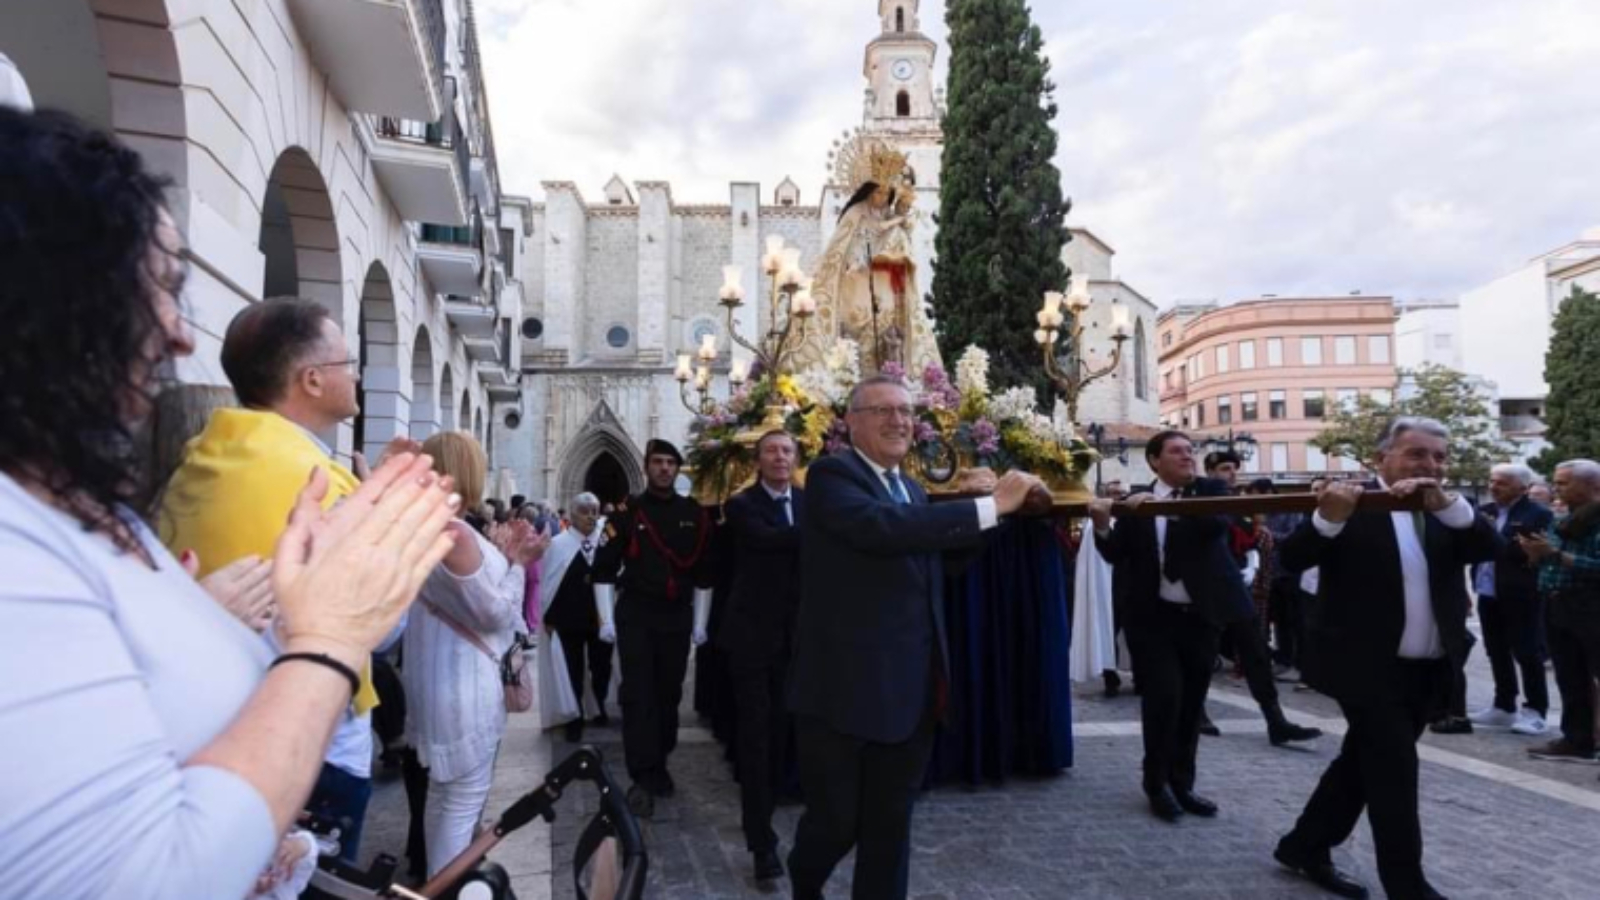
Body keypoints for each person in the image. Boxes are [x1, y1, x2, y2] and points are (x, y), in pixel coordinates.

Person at [0, 106, 459, 899]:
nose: (181, 336)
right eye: (161, 290)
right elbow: (148, 879)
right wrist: (327, 640)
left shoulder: (71, 496)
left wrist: (233, 617)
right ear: (50, 302)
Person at [159, 295, 413, 862]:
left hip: (215, 733)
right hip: (310, 746)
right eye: (349, 363)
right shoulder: (320, 486)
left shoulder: (198, 460)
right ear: (314, 380)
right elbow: (384, 630)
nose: (360, 374)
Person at [787, 375, 1044, 900]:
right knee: (836, 825)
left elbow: (934, 566)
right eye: (882, 410)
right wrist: (992, 505)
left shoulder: (911, 488)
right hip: (840, 693)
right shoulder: (832, 476)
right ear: (851, 422)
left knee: (889, 831)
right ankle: (805, 883)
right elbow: (883, 529)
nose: (898, 421)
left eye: (905, 411)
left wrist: (984, 520)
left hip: (910, 692)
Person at [1273, 417, 1499, 900]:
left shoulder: (1445, 509)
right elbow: (1291, 559)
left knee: (1362, 763)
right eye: (1418, 454)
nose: (1432, 465)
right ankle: (1407, 885)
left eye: (1440, 456)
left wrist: (1452, 508)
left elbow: (1492, 547)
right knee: (1394, 773)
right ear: (1381, 459)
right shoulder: (1351, 504)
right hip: (1365, 669)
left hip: (1430, 667)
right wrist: (1328, 518)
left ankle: (1303, 845)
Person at [1088, 432, 1257, 824]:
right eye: (1177, 451)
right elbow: (1116, 554)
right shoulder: (1135, 501)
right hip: (1152, 620)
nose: (1188, 457)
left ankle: (1183, 782)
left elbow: (1213, 526)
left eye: (1190, 451)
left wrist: (1158, 508)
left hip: (1200, 617)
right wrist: (1102, 526)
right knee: (1164, 698)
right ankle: (1156, 783)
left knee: (1192, 703)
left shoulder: (1211, 490)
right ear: (1153, 461)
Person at [402, 432, 544, 877]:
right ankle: (445, 886)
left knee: (445, 801)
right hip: (463, 685)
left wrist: (502, 556)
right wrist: (517, 563)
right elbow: (493, 612)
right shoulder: (455, 532)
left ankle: (440, 882)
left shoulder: (424, 524)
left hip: (436, 676)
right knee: (461, 803)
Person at [591, 439, 716, 818]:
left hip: (676, 617)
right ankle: (642, 774)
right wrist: (606, 620)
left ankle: (660, 760)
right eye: (657, 462)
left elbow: (704, 575)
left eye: (670, 463)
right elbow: (603, 568)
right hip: (637, 616)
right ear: (646, 468)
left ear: (678, 469)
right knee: (637, 695)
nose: (664, 468)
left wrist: (700, 624)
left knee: (668, 693)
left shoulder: (693, 514)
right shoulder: (627, 513)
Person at [720, 431, 806, 883]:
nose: (779, 457)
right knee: (756, 743)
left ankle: (773, 812)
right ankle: (762, 845)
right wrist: (825, 529)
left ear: (796, 458)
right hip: (753, 641)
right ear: (757, 459)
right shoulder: (742, 505)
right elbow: (770, 541)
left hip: (800, 644)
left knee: (786, 739)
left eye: (787, 450)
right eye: (771, 450)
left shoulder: (809, 502)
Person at [1201, 453, 1321, 747]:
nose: (1231, 474)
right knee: (1203, 654)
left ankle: (1275, 720)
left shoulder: (1238, 503)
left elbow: (1248, 539)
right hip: (1205, 586)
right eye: (1224, 469)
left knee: (1256, 653)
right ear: (1209, 471)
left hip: (1235, 583)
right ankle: (1197, 711)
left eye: (1234, 469)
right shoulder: (1201, 498)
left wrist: (1256, 535)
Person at [1518, 459, 1600, 764]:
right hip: (1557, 603)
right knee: (1570, 676)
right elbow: (1551, 557)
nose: (1556, 488)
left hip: (1590, 605)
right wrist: (1535, 555)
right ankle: (1578, 741)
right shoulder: (1564, 517)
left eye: (1564, 482)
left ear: (1592, 485)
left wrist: (1555, 555)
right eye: (1556, 482)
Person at [1465, 463, 1554, 736]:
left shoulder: (1537, 513)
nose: (1494, 486)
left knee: (1527, 653)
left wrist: (1495, 541)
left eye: (1502, 482)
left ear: (1521, 487)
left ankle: (1535, 710)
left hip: (1522, 594)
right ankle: (1504, 705)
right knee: (1495, 651)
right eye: (1492, 481)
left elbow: (1529, 552)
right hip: (1489, 592)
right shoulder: (1487, 512)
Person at [539, 492, 614, 741]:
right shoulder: (558, 544)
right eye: (585, 511)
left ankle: (601, 705)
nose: (591, 517)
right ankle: (575, 716)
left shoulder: (606, 543)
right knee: (572, 669)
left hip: (600, 619)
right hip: (568, 619)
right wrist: (549, 618)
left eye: (595, 511)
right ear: (572, 515)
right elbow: (548, 583)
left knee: (602, 666)